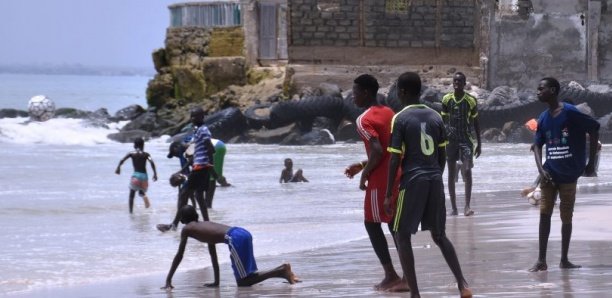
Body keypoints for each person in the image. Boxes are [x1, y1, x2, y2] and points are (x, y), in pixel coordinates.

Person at [385, 72, 472, 298]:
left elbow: (394, 158)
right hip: (435, 179)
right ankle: (462, 284)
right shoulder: (435, 116)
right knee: (440, 235)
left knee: (400, 233)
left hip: (413, 181)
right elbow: (442, 155)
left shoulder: (400, 118)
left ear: (402, 92)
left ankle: (415, 293)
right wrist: (436, 177)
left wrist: (388, 194)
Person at [528, 77, 600, 272]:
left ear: (552, 90)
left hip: (569, 174)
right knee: (544, 214)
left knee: (566, 216)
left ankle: (564, 259)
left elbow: (594, 128)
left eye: (541, 89)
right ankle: (541, 260)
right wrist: (541, 170)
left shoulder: (570, 112)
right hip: (549, 174)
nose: (538, 92)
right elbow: (536, 145)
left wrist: (590, 164)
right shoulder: (543, 117)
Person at [344, 74, 406, 291]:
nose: (353, 97)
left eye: (355, 92)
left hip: (380, 181)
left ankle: (391, 275)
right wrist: (362, 165)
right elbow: (391, 148)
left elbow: (378, 151)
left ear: (366, 93)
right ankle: (406, 276)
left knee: (371, 223)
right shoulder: (390, 113)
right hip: (397, 175)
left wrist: (365, 174)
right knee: (392, 224)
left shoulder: (363, 120)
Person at [161, 205, 299, 289]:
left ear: (183, 218)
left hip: (234, 238)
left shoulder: (187, 228)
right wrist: (216, 282)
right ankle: (282, 272)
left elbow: (179, 255)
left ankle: (281, 270)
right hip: (241, 232)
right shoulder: (204, 225)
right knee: (248, 276)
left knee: (243, 282)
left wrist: (168, 279)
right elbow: (212, 254)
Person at [157, 107, 215, 232]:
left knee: (184, 194)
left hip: (200, 167)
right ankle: (207, 223)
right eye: (192, 116)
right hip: (201, 167)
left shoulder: (203, 130)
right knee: (199, 196)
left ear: (202, 117)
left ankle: (174, 225)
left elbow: (211, 148)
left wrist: (210, 165)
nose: (193, 118)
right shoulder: (198, 130)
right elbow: (196, 153)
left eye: (195, 116)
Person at [441, 72, 481, 216]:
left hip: (466, 141)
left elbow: (476, 122)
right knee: (451, 174)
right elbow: (443, 121)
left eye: (459, 81)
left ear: (464, 84)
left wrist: (479, 144)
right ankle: (453, 208)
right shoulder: (446, 99)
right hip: (450, 140)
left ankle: (467, 206)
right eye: (455, 81)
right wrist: (441, 140)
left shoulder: (470, 100)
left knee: (468, 171)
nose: (456, 83)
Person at [115, 137, 158, 213]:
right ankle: (143, 195)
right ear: (143, 145)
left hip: (136, 176)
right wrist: (155, 174)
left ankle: (131, 212)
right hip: (144, 176)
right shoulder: (146, 154)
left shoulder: (132, 153)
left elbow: (122, 160)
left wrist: (118, 168)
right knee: (141, 191)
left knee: (132, 195)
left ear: (134, 145)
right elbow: (152, 162)